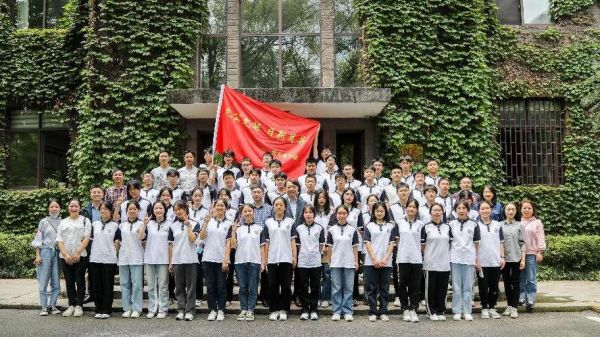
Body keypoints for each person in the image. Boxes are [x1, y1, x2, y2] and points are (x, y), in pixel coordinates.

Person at [229, 204, 266, 321]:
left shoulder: (259, 229)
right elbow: (233, 245)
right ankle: (243, 309)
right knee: (243, 287)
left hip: (255, 261)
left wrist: (263, 262)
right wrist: (233, 231)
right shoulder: (238, 229)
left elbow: (262, 247)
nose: (247, 213)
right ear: (242, 214)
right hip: (240, 261)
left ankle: (251, 310)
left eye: (250, 211)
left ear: (253, 212)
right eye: (245, 211)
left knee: (253, 287)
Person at [263, 197, 296, 321]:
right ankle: (274, 309)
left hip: (286, 258)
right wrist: (265, 258)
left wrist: (294, 256)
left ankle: (284, 309)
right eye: (276, 205)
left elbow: (293, 240)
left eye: (281, 205)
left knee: (286, 286)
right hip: (272, 258)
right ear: (273, 207)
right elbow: (266, 242)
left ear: (285, 207)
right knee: (272, 285)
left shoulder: (290, 222)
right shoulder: (268, 222)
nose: (279, 207)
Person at [56, 198, 91, 317]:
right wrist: (66, 255)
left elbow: (86, 238)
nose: (73, 208)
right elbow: (59, 239)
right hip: (65, 257)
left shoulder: (85, 221)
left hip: (80, 256)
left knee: (80, 281)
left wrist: (77, 253)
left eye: (76, 206)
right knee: (69, 281)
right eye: (71, 206)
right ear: (68, 208)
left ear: (79, 208)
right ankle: (71, 305)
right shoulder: (63, 222)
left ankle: (79, 306)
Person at [200, 199, 233, 321]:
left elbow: (228, 243)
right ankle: (212, 310)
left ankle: (221, 310)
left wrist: (226, 260)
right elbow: (202, 237)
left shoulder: (229, 223)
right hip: (208, 258)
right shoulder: (209, 221)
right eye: (217, 205)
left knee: (221, 286)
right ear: (213, 207)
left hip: (221, 260)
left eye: (222, 205)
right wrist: (206, 223)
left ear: (226, 208)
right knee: (210, 286)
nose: (219, 207)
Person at [363, 202, 396, 322]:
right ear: (374, 212)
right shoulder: (369, 226)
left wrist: (385, 259)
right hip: (370, 262)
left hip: (386, 262)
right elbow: (367, 242)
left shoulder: (390, 226)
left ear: (385, 212)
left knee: (384, 288)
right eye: (377, 211)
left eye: (382, 211)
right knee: (371, 288)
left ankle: (383, 311)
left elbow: (392, 243)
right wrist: (374, 259)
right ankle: (372, 311)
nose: (379, 213)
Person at [326, 205, 359, 322]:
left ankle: (347, 311)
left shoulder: (352, 230)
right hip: (336, 262)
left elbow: (355, 248)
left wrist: (356, 261)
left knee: (348, 288)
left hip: (349, 262)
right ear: (336, 215)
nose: (341, 215)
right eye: (339, 213)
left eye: (344, 213)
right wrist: (329, 260)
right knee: (336, 288)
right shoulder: (332, 230)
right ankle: (336, 311)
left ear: (347, 214)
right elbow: (329, 247)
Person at [449, 200, 480, 321]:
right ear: (455, 210)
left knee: (468, 286)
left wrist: (476, 258)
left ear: (468, 210)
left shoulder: (474, 224)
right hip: (455, 257)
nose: (461, 210)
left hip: (468, 258)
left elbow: (477, 243)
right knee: (456, 286)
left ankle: (467, 311)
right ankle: (457, 310)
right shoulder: (451, 224)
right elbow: (449, 241)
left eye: (463, 208)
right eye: (459, 208)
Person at [169, 200, 200, 321]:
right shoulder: (172, 226)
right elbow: (171, 245)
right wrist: (171, 262)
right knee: (179, 287)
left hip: (191, 259)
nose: (178, 211)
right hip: (177, 260)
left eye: (180, 209)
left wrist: (188, 226)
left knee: (191, 287)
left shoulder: (195, 223)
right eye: (176, 210)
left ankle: (190, 311)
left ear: (186, 209)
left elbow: (192, 239)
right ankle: (181, 309)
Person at [89, 201, 120, 319]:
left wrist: (114, 254)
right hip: (95, 258)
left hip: (109, 260)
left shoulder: (115, 225)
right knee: (96, 285)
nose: (103, 211)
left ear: (110, 211)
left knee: (107, 285)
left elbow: (117, 242)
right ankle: (98, 309)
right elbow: (90, 240)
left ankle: (107, 310)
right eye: (101, 209)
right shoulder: (95, 224)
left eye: (106, 209)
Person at [293, 205, 325, 320]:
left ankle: (314, 309)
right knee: (303, 287)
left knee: (315, 286)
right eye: (306, 212)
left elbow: (321, 244)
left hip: (316, 262)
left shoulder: (319, 228)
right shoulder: (299, 228)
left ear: (314, 214)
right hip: (303, 262)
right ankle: (305, 309)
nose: (308, 214)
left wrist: (318, 253)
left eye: (310, 212)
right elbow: (297, 245)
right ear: (303, 215)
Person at [141, 201, 172, 319]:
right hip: (150, 258)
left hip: (163, 259)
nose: (158, 210)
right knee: (151, 285)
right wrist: (144, 225)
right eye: (156, 208)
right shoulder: (149, 224)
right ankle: (152, 308)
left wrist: (170, 261)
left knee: (163, 286)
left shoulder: (170, 224)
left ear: (164, 210)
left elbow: (171, 244)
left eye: (160, 208)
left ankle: (163, 309)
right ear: (153, 210)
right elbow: (141, 237)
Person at [397, 199, 425, 323]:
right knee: (402, 284)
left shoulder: (421, 224)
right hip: (402, 258)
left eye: (414, 207)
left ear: (417, 209)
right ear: (406, 208)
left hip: (416, 259)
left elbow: (423, 243)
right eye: (409, 206)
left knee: (415, 285)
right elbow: (396, 241)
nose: (411, 209)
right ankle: (405, 309)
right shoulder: (399, 223)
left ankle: (413, 308)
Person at [421, 203, 451, 321]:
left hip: (444, 262)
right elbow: (422, 246)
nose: (437, 212)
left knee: (442, 288)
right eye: (434, 210)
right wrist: (429, 255)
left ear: (443, 212)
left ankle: (440, 310)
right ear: (430, 212)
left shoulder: (447, 227)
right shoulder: (426, 227)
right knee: (431, 289)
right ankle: (431, 311)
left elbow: (450, 244)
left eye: (439, 210)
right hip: (430, 263)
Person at [32, 199, 62, 316]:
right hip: (45, 252)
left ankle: (53, 305)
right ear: (48, 209)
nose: (54, 209)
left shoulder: (63, 222)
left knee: (56, 281)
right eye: (51, 207)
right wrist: (37, 255)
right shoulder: (43, 222)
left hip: (58, 253)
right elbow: (38, 240)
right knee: (43, 281)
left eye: (56, 207)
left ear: (60, 208)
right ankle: (44, 306)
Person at [477, 201, 505, 319]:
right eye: (482, 209)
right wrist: (476, 260)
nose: (485, 211)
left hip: (495, 260)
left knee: (494, 286)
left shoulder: (497, 225)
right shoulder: (476, 225)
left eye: (487, 208)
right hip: (481, 261)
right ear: (479, 211)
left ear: (491, 210)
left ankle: (492, 307)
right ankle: (484, 307)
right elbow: (475, 244)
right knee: (483, 285)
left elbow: (501, 243)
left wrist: (502, 257)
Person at [118, 200, 145, 318]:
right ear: (126, 211)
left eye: (134, 209)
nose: (132, 211)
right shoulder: (122, 225)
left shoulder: (141, 224)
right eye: (130, 209)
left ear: (138, 211)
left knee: (137, 284)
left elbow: (142, 238)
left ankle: (137, 308)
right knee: (124, 283)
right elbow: (118, 241)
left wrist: (143, 227)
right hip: (123, 257)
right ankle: (127, 307)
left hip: (137, 257)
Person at [519, 199, 546, 312]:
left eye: (529, 208)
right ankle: (521, 297)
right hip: (519, 254)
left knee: (531, 278)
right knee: (521, 278)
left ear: (533, 209)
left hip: (531, 254)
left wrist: (540, 252)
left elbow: (541, 237)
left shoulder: (537, 222)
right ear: (520, 209)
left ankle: (530, 299)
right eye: (524, 207)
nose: (526, 210)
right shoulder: (517, 221)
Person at [82, 184, 105, 304]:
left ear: (103, 194)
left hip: (104, 241)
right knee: (91, 268)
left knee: (104, 267)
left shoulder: (107, 207)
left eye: (98, 192)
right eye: (94, 192)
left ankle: (102, 293)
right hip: (90, 241)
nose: (96, 194)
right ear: (90, 194)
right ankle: (91, 293)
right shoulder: (85, 210)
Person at [501, 202, 524, 319]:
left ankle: (514, 307)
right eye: (508, 209)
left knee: (515, 283)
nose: (510, 212)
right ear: (504, 211)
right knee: (506, 283)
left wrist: (523, 259)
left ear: (516, 211)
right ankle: (509, 305)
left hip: (516, 258)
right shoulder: (500, 225)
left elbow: (522, 243)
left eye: (513, 210)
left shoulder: (520, 225)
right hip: (504, 259)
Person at [314, 190, 333, 308]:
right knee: (316, 274)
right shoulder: (312, 211)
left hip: (327, 246)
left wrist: (326, 245)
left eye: (323, 198)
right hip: (314, 247)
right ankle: (318, 297)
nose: (321, 200)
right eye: (319, 197)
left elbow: (330, 230)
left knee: (327, 273)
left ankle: (326, 297)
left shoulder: (331, 213)